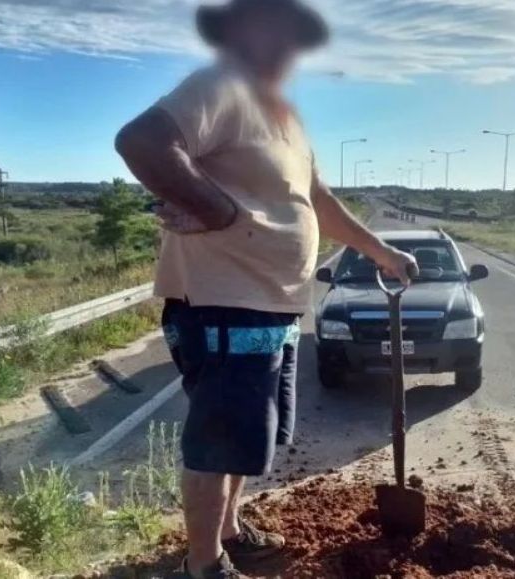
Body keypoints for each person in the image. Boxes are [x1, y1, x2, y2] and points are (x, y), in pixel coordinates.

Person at [115, 0, 417, 577]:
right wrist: (219, 209)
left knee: (252, 435)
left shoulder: (284, 120)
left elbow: (318, 201)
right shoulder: (220, 86)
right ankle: (203, 566)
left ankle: (228, 530)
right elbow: (142, 141)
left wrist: (380, 251)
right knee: (219, 437)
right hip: (223, 305)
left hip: (271, 307)